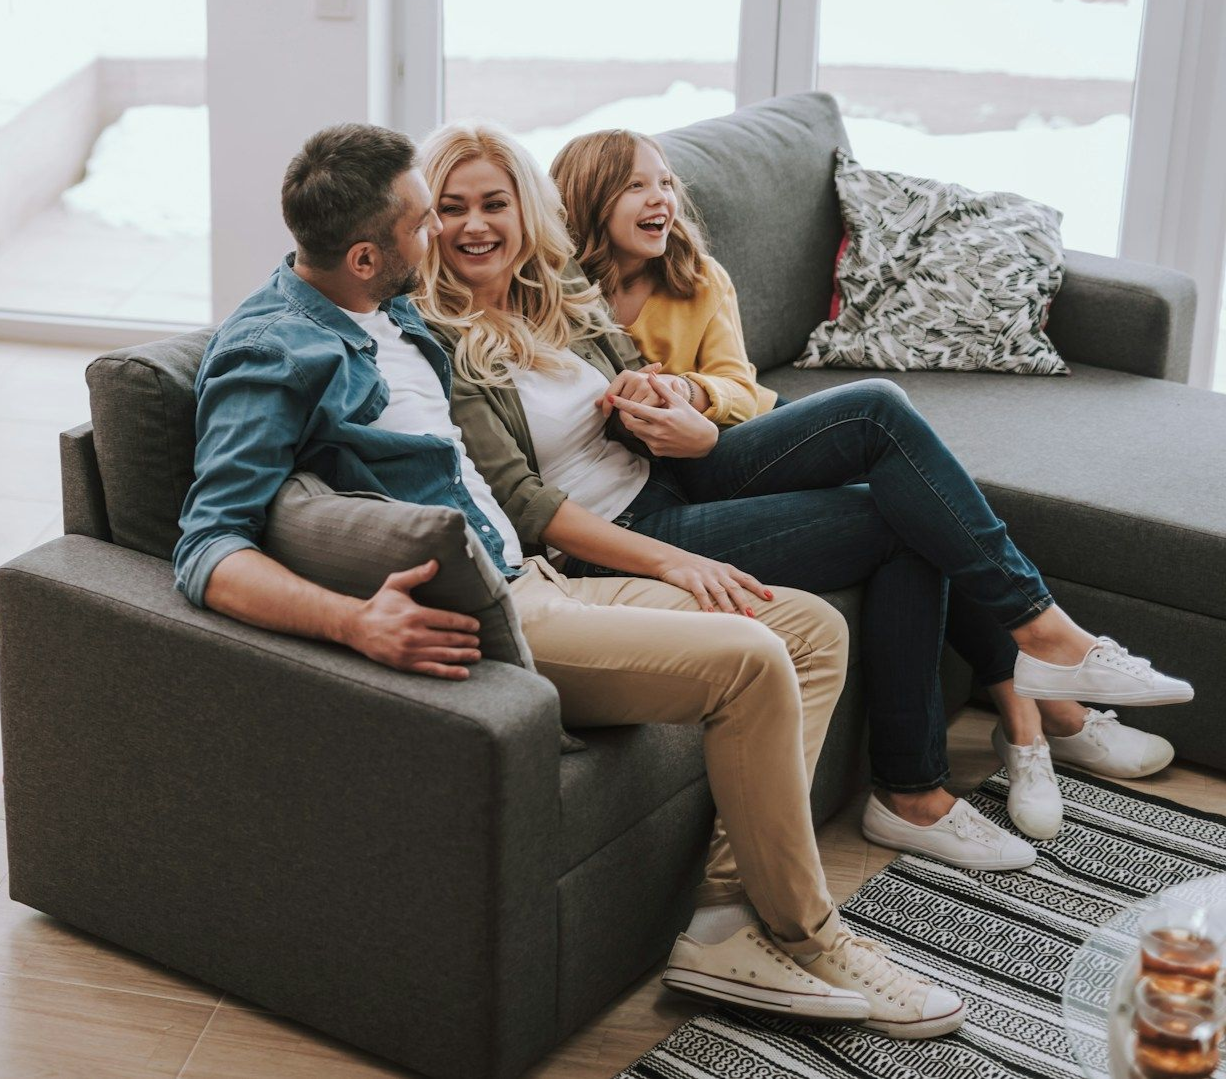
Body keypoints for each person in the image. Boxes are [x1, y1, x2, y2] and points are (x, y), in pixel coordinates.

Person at [171, 122, 968, 1039]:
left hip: (540, 575)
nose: (442, 238)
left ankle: (721, 924)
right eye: (427, 221)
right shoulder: (271, 351)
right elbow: (207, 548)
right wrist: (353, 624)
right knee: (751, 659)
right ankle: (811, 931)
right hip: (490, 613)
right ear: (364, 254)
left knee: (810, 631)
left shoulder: (382, 309)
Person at [415, 119, 1192, 883]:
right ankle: (929, 775)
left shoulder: (554, 294)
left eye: (494, 203)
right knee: (900, 520)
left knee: (877, 410)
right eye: (453, 207)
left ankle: (1042, 642)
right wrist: (676, 560)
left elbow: (640, 374)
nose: (476, 225)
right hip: (621, 529)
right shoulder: (437, 339)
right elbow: (521, 503)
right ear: (427, 219)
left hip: (674, 468)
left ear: (525, 210)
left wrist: (664, 398)